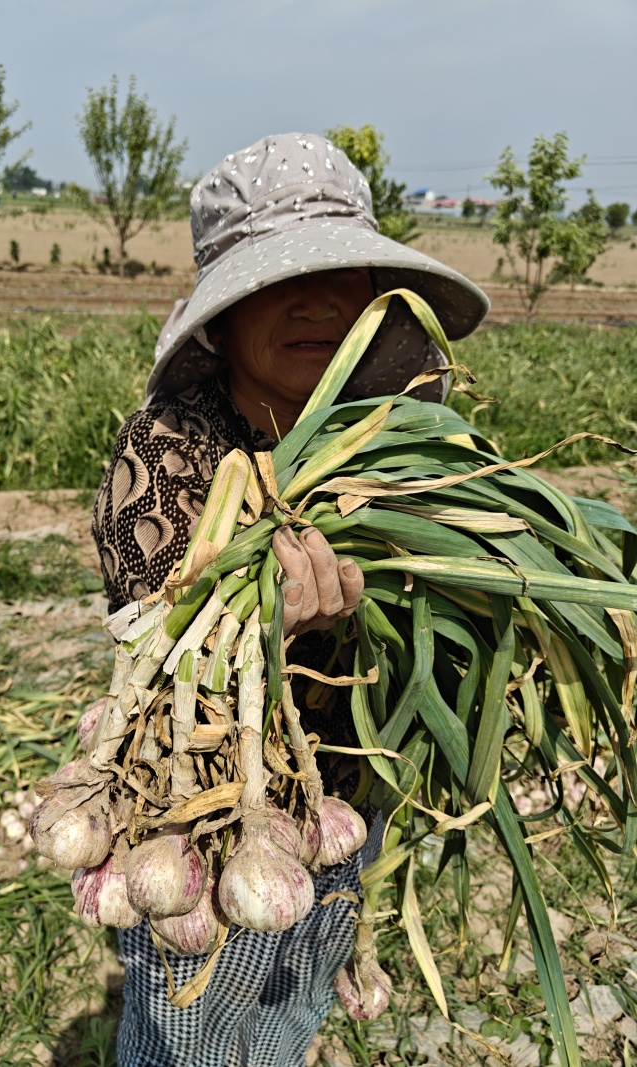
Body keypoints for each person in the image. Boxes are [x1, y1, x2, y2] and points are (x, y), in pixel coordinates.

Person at [91, 132, 489, 1067]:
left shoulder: (404, 432)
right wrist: (263, 616)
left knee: (293, 1001)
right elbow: (159, 655)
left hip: (346, 792)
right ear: (220, 320)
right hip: (211, 818)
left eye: (341, 273)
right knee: (189, 1028)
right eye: (277, 280)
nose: (315, 300)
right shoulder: (167, 453)